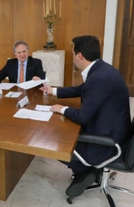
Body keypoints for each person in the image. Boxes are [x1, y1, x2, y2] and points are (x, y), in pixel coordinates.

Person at [40, 35, 132, 198]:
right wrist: (53, 91)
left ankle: (86, 171)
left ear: (80, 55)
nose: (73, 57)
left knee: (55, 141)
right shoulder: (102, 69)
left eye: (73, 54)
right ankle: (89, 172)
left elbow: (83, 117)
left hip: (109, 142)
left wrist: (62, 109)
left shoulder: (99, 78)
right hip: (117, 130)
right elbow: (82, 89)